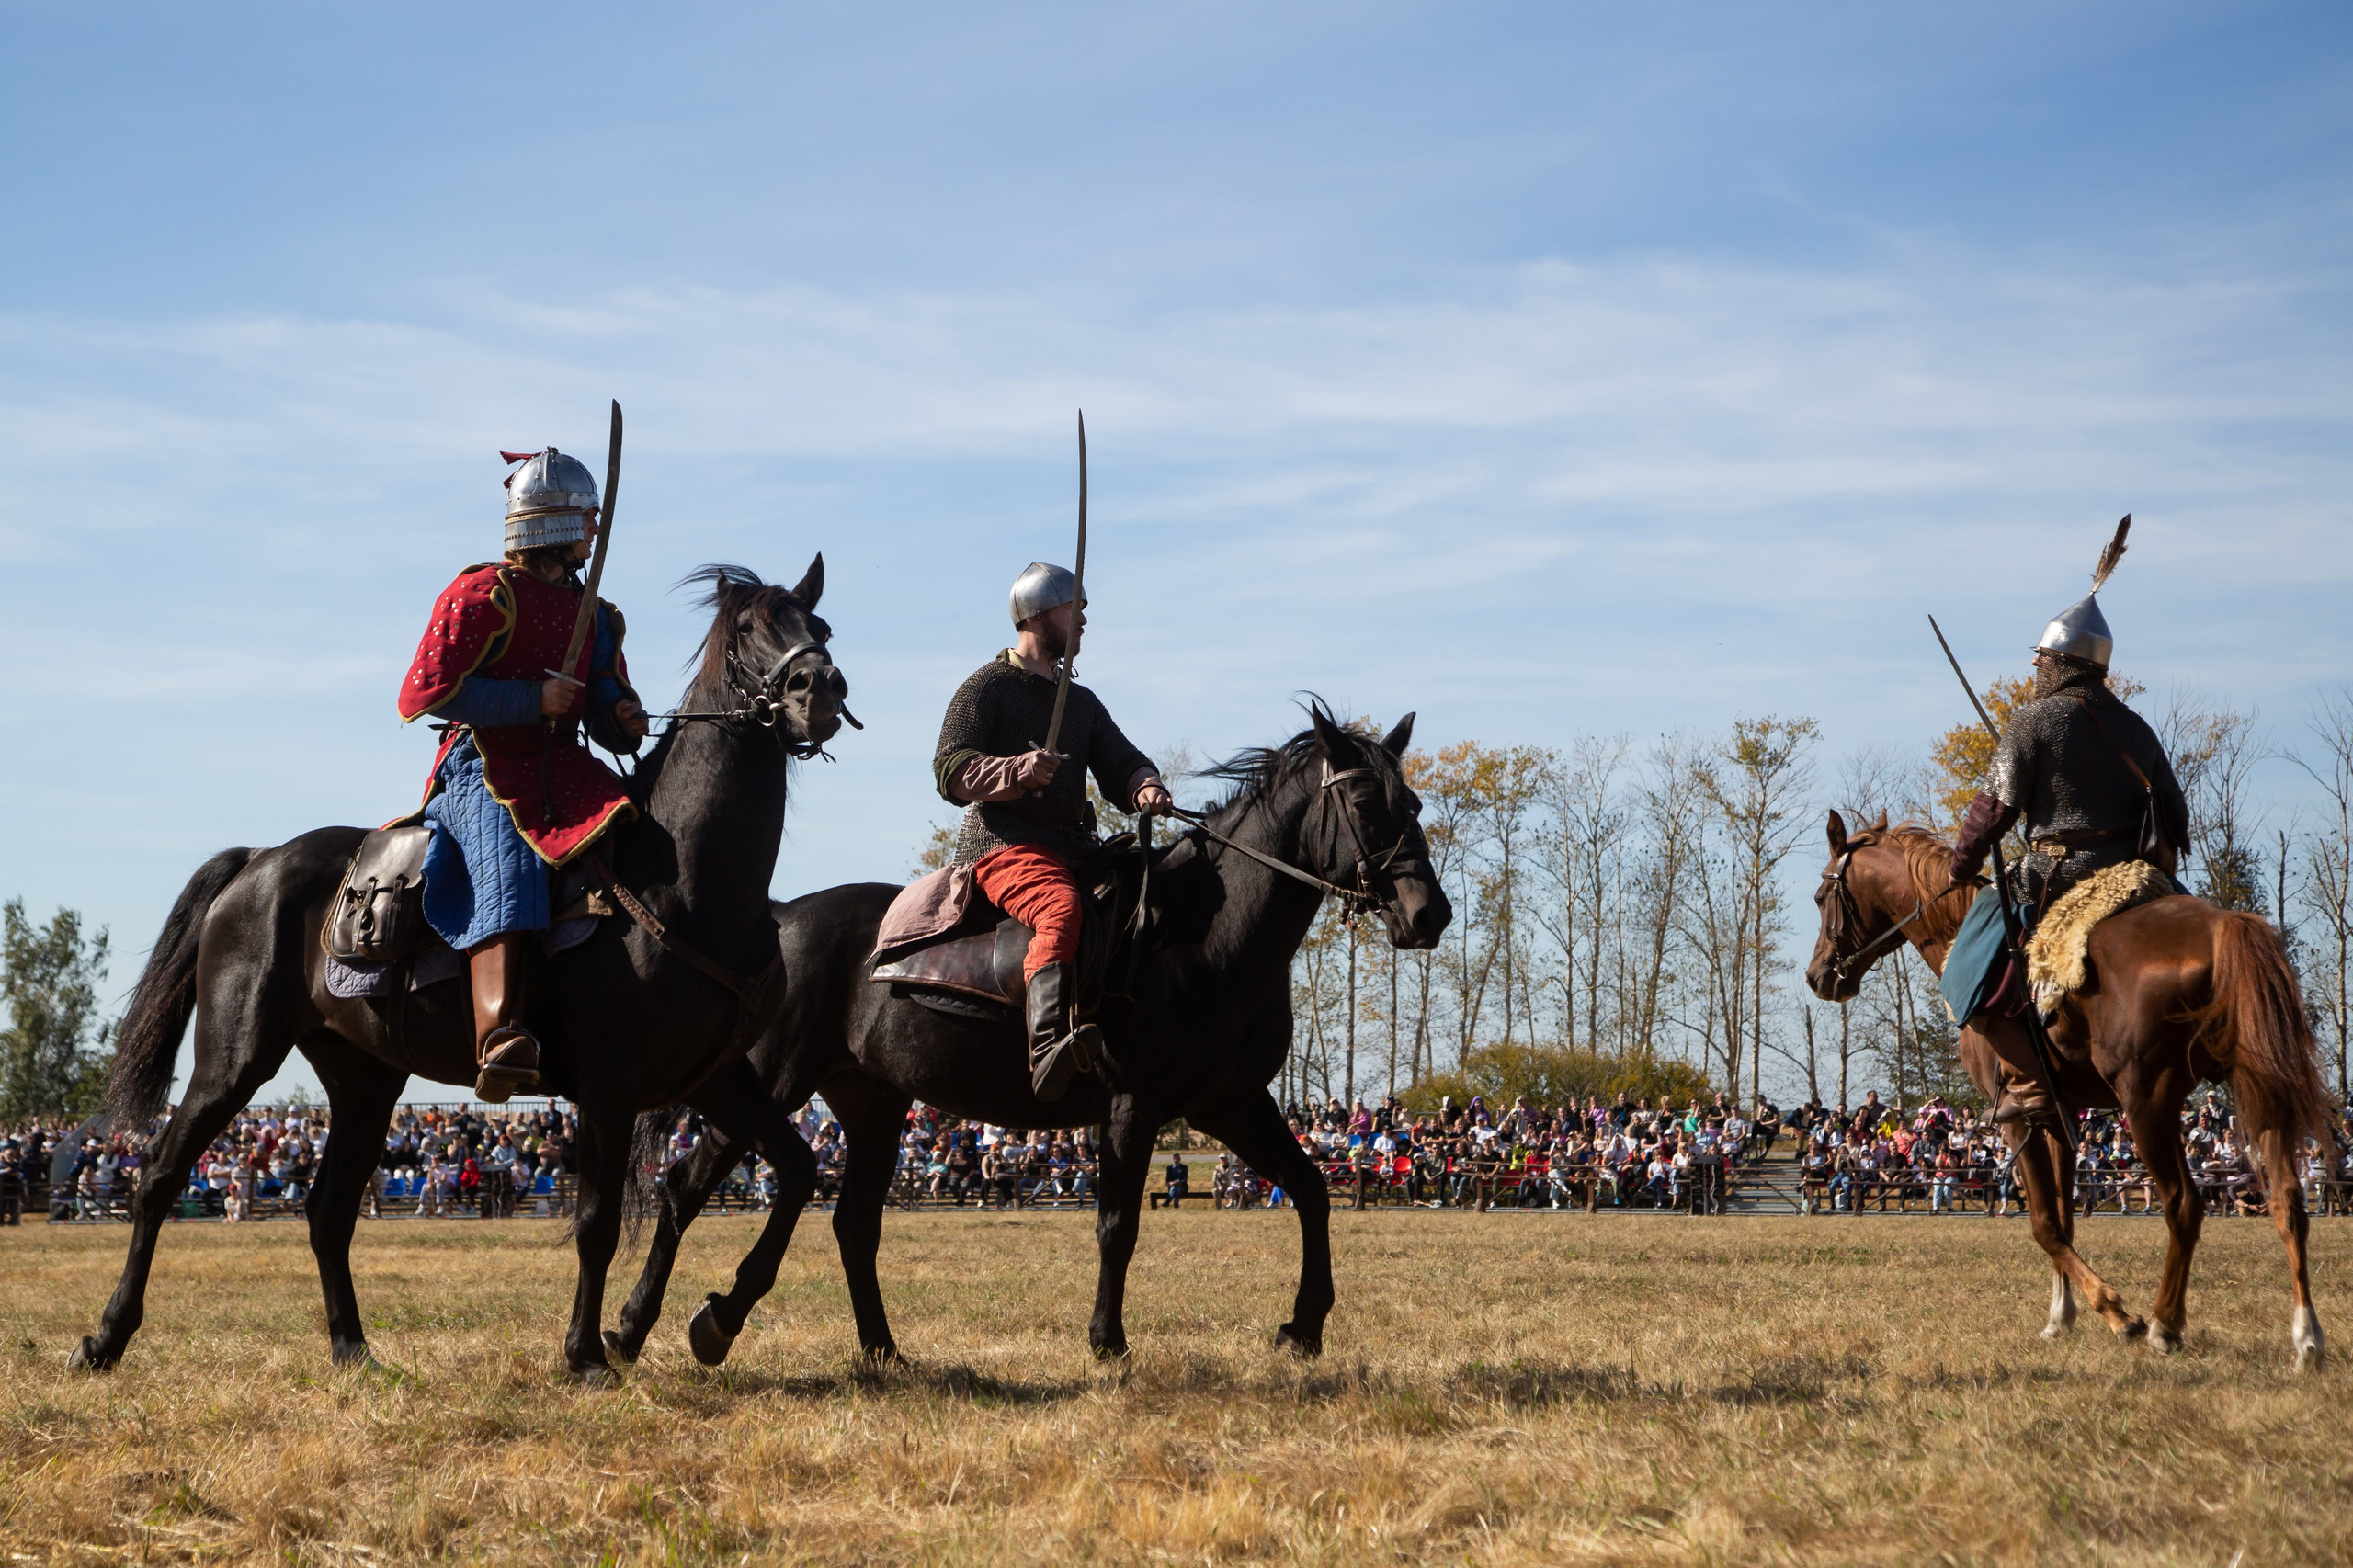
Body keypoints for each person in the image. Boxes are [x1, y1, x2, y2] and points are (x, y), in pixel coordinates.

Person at [396, 446, 651, 1101]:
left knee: (648, 833)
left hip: (564, 765)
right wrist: (530, 700)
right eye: (586, 518)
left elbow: (597, 703)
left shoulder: (595, 614)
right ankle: (499, 1035)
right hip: (479, 762)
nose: (595, 529)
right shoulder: (484, 594)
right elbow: (426, 696)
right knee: (508, 860)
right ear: (555, 523)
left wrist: (618, 717)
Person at [1949, 555, 2188, 1124]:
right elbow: (2176, 816)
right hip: (2140, 878)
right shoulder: (2136, 726)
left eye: (2042, 654)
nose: (2034, 661)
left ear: (2062, 662)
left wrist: (1964, 866)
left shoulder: (2034, 721)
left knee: (1964, 968)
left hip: (2058, 872)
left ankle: (2030, 1082)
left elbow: (1991, 811)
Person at [930, 562, 1174, 1100]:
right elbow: (949, 770)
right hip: (1005, 844)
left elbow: (1122, 761)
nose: (1085, 619)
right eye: (1075, 608)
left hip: (1075, 846)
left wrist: (1145, 784)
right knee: (1059, 909)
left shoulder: (1081, 702)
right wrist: (1014, 771)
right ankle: (1046, 1049)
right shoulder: (987, 686)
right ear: (1039, 615)